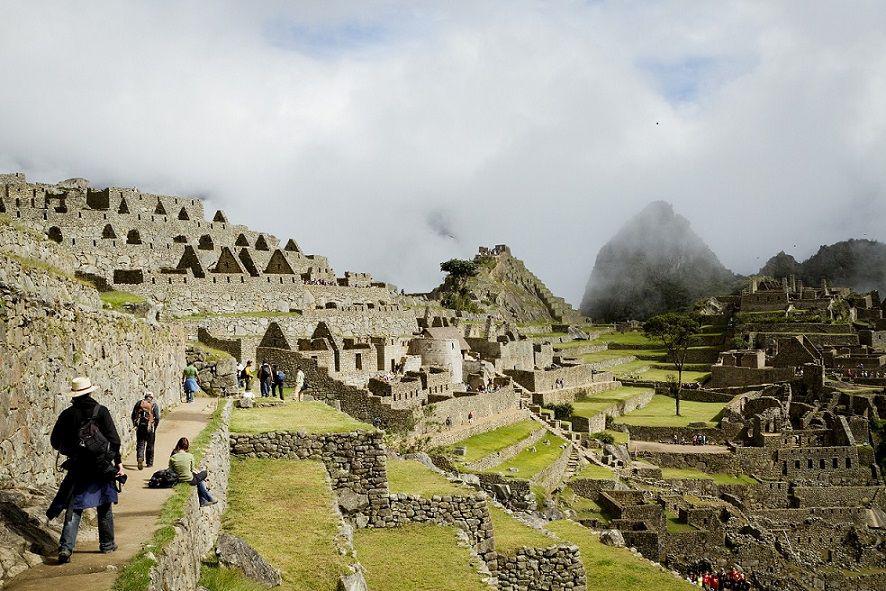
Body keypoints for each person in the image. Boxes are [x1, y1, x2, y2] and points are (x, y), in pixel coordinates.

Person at [48, 376, 123, 563]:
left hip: (79, 467)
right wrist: (117, 462)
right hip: (101, 466)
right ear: (90, 391)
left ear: (74, 395)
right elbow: (114, 440)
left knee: (74, 507)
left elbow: (55, 442)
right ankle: (107, 544)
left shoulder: (67, 415)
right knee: (104, 505)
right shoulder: (101, 411)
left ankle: (65, 548)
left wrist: (72, 451)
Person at [169, 437, 217, 507]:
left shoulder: (173, 457)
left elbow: (171, 470)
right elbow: (191, 469)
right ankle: (209, 497)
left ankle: (203, 501)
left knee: (200, 480)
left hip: (177, 479)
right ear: (187, 447)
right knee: (203, 474)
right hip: (189, 479)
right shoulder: (190, 456)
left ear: (178, 445)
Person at [131, 391, 161, 470]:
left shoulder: (139, 403)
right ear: (152, 398)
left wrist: (135, 424)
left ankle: (140, 458)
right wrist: (155, 425)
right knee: (150, 445)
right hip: (150, 427)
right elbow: (157, 417)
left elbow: (133, 415)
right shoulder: (154, 405)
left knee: (141, 443)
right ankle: (149, 463)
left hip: (140, 426)